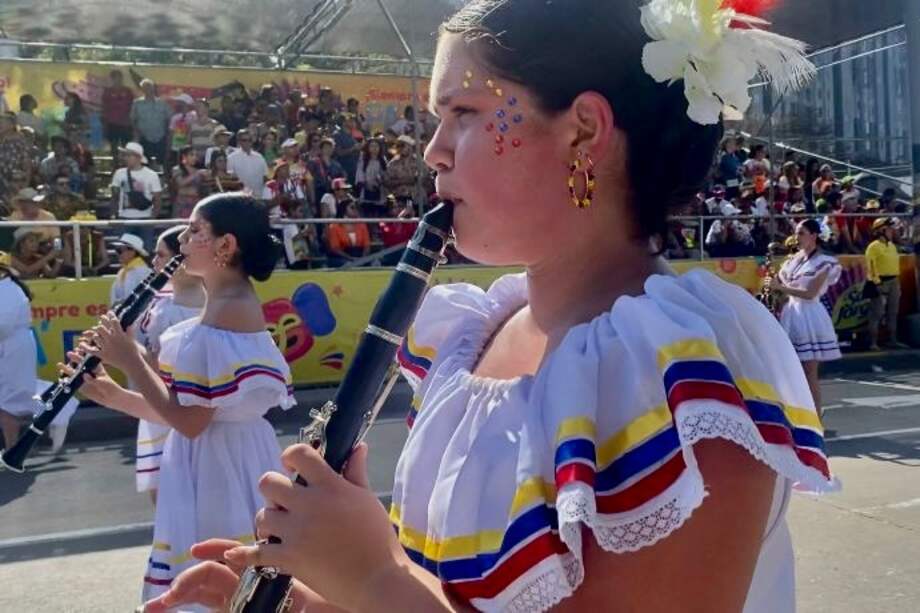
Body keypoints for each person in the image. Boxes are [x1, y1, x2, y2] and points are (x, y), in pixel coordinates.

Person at [145, 2, 835, 612]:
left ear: (584, 131)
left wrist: (372, 576)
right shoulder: (478, 335)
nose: (432, 151)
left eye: (463, 114)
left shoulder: (691, 376)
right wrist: (318, 593)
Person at [64, 193, 292, 603]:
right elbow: (183, 413)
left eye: (195, 231)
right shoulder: (217, 304)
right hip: (214, 457)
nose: (183, 241)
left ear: (226, 245)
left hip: (221, 468)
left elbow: (190, 423)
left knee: (222, 587)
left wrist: (131, 359)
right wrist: (113, 395)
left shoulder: (230, 308)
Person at [134, 226, 206, 504]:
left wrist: (127, 351)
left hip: (178, 406)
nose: (155, 263)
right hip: (162, 404)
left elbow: (156, 369)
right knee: (162, 494)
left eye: (162, 256)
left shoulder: (209, 306)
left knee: (178, 493)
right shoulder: (161, 303)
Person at [771, 220, 842, 419]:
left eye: (801, 233)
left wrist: (780, 287)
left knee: (810, 370)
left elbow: (810, 293)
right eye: (796, 233)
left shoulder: (825, 261)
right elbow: (784, 288)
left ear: (814, 235)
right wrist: (774, 287)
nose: (797, 237)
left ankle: (816, 416)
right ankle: (797, 414)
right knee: (792, 369)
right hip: (791, 313)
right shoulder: (792, 261)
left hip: (809, 314)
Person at [0, 264, 37, 449]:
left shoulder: (8, 291)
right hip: (8, 346)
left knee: (8, 402)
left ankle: (11, 451)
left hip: (12, 347)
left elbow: (3, 326)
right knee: (10, 398)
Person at [864, 217, 908, 351]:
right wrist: (876, 283)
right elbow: (870, 266)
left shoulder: (892, 245)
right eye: (888, 228)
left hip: (894, 280)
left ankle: (892, 340)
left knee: (892, 312)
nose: (891, 231)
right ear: (881, 230)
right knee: (877, 313)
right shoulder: (873, 247)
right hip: (880, 282)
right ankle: (873, 343)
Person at [111, 142, 163, 246]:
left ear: (138, 157)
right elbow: (114, 197)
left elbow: (157, 198)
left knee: (145, 250)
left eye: (129, 155)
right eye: (125, 155)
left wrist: (152, 218)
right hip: (124, 218)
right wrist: (115, 215)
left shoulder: (151, 175)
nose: (126, 158)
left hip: (145, 218)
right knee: (125, 251)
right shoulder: (119, 173)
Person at [131, 79, 172, 169]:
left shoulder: (162, 103)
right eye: (145, 88)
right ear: (142, 89)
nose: (148, 90)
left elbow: (169, 119)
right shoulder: (137, 103)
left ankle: (162, 181)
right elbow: (133, 121)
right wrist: (137, 135)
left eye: (150, 87)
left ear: (154, 88)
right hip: (144, 138)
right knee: (145, 164)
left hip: (161, 138)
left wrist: (168, 134)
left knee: (162, 163)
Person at [109, 233, 153, 305]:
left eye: (120, 251)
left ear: (132, 252)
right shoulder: (123, 272)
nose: (117, 254)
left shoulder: (144, 272)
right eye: (117, 250)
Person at [324, 199, 371, 267]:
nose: (355, 210)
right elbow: (335, 249)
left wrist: (362, 258)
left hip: (359, 255)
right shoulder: (334, 226)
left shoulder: (361, 224)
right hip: (341, 257)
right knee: (348, 264)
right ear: (344, 210)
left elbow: (367, 245)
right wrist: (350, 258)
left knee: (375, 262)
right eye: (352, 207)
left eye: (356, 207)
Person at [102, 70, 136, 159]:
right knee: (113, 145)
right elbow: (105, 108)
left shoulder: (128, 91)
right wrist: (105, 123)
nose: (118, 79)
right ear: (112, 79)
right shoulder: (107, 91)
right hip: (112, 122)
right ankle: (115, 164)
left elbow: (133, 106)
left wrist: (132, 121)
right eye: (115, 77)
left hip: (126, 123)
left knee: (126, 145)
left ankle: (127, 164)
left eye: (119, 77)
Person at [226, 129, 269, 195]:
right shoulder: (231, 158)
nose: (247, 142)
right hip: (241, 197)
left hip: (259, 196)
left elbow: (265, 176)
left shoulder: (259, 157)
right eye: (244, 140)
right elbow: (230, 179)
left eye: (250, 140)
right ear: (239, 141)